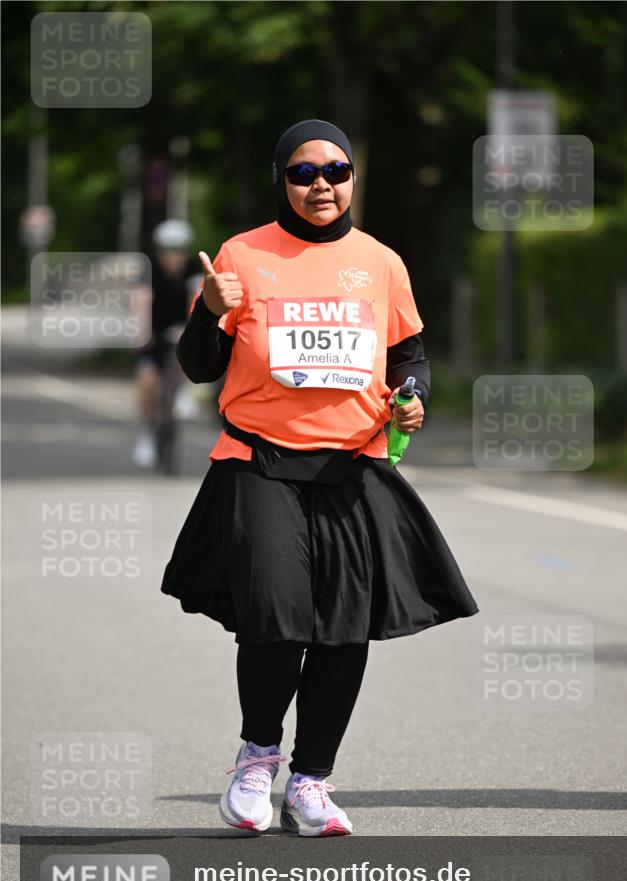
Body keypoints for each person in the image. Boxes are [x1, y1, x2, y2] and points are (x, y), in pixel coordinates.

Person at [161, 119, 479, 837]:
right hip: (260, 462)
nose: (321, 185)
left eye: (335, 171)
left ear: (352, 178)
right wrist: (209, 312)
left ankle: (310, 782)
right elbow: (199, 367)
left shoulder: (380, 263)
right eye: (303, 173)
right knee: (276, 616)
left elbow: (410, 355)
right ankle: (256, 759)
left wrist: (412, 396)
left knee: (342, 632)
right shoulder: (243, 255)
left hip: (353, 467)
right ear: (282, 180)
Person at [132, 219, 202, 467]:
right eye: (167, 250)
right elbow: (141, 302)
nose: (172, 257)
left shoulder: (193, 269)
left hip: (179, 328)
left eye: (178, 250)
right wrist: (141, 333)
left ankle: (183, 392)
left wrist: (191, 330)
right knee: (147, 379)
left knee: (184, 349)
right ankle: (146, 434)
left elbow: (194, 302)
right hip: (153, 331)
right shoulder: (149, 270)